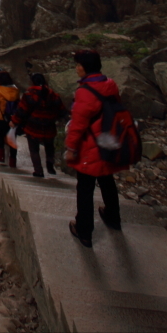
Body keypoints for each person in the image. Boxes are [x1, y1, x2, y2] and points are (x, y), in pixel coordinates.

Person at [64, 49, 127, 248]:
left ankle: (84, 232)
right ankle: (113, 218)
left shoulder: (84, 92)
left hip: (90, 147)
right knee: (107, 180)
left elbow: (78, 124)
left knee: (85, 189)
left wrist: (71, 148)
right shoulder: (110, 84)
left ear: (86, 67)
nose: (76, 68)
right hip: (108, 141)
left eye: (78, 65)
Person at [10, 73, 66, 177]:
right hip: (49, 127)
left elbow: (21, 111)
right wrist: (53, 117)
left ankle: (38, 170)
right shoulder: (53, 94)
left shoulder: (29, 95)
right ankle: (50, 167)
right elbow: (62, 111)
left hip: (33, 127)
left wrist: (14, 121)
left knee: (34, 149)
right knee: (50, 148)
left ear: (32, 82)